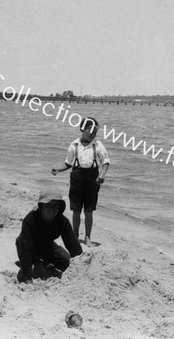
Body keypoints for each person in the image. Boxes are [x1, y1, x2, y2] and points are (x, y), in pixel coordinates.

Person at [51, 117, 109, 246]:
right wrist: (58, 169)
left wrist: (102, 175)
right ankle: (75, 235)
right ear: (83, 129)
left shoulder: (98, 145)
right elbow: (68, 163)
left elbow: (105, 162)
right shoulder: (74, 145)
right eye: (90, 131)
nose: (92, 134)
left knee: (89, 211)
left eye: (95, 132)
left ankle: (88, 237)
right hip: (77, 180)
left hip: (92, 180)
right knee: (76, 210)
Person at [15, 186, 83, 284]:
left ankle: (44, 265)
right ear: (41, 206)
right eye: (48, 205)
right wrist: (28, 278)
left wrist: (81, 267)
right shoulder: (30, 220)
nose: (52, 209)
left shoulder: (63, 222)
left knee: (67, 262)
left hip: (48, 247)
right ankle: (34, 264)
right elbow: (25, 248)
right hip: (28, 247)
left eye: (56, 206)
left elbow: (73, 246)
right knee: (31, 270)